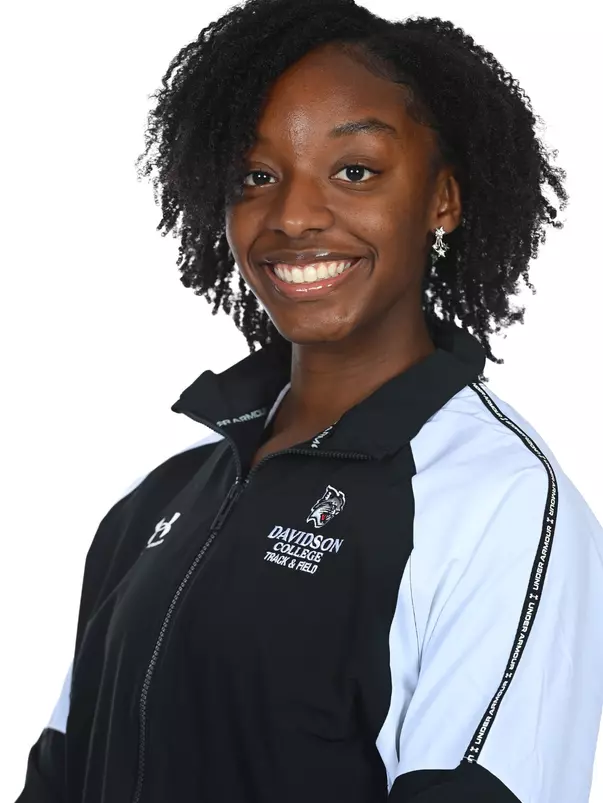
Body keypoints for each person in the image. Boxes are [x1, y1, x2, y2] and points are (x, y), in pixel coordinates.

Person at [16, 0, 603, 801]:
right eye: (256, 176)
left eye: (354, 170)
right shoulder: (156, 499)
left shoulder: (493, 499)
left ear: (443, 199)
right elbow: (58, 777)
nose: (292, 216)